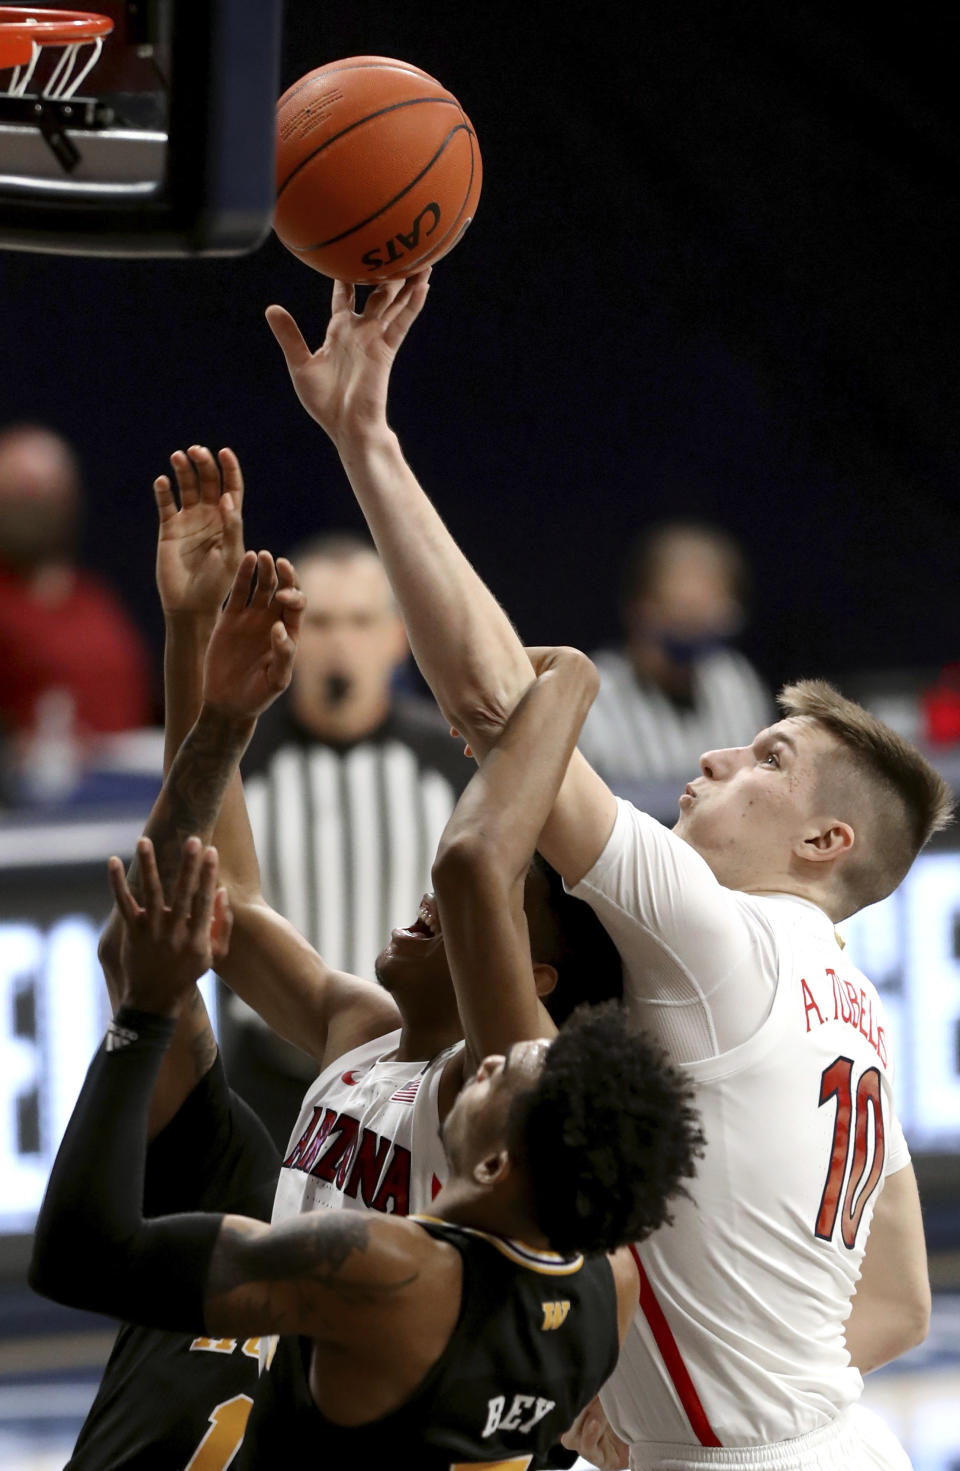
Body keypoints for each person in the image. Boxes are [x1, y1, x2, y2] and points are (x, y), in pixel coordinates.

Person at [263, 271, 954, 1469]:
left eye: (766, 760)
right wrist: (665, 1406)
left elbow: (495, 709)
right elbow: (900, 1303)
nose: (717, 753)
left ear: (823, 844)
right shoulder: (857, 1014)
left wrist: (366, 441)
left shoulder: (725, 941)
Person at [29, 631, 704, 1468]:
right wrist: (199, 646)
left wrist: (562, 688)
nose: (434, 899)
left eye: (497, 916)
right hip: (297, 1359)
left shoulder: (496, 1089)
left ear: (527, 975)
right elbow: (223, 902)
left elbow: (472, 870)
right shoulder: (363, 1031)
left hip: (339, 1358)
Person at [230, 527, 470, 1145]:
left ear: (397, 638)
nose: (341, 644)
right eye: (323, 621)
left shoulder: (448, 761)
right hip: (266, 1078)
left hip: (410, 1079)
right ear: (289, 633)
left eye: (361, 622)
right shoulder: (239, 759)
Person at [0, 422, 154, 801]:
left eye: (46, 491)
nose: (33, 507)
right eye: (20, 493)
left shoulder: (95, 598)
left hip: (125, 799)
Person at [578, 519, 772, 784]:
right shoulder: (592, 693)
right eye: (685, 610)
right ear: (640, 607)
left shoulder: (732, 680)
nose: (696, 628)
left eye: (711, 614)